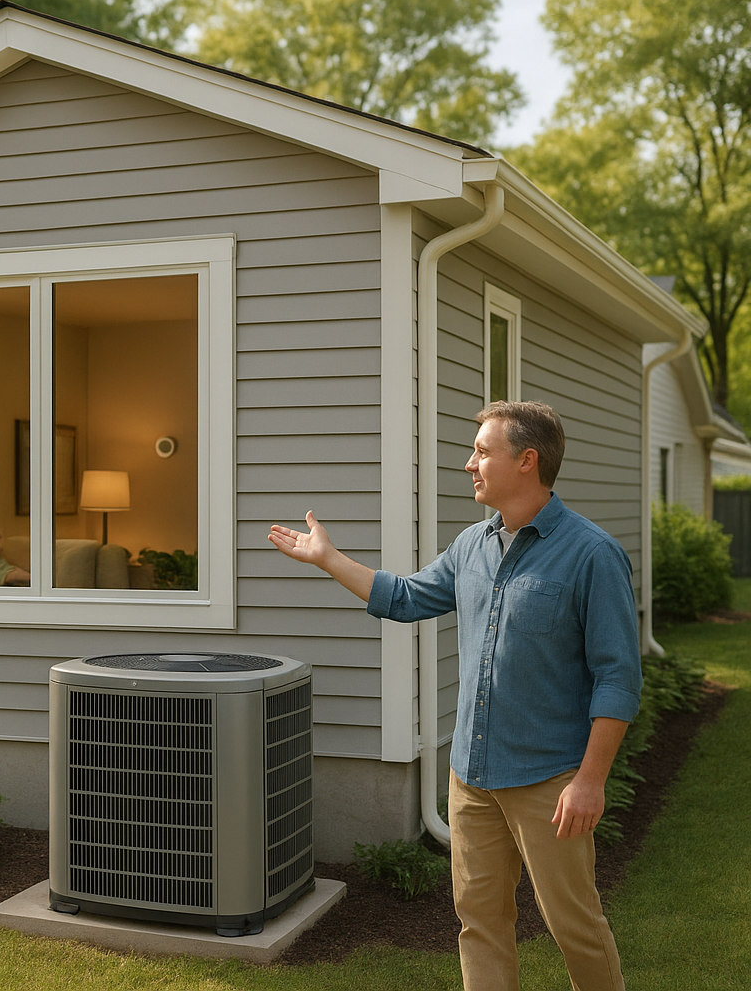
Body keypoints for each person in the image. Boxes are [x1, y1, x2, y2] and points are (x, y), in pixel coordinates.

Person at [268, 400, 639, 991]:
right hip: (471, 776)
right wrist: (328, 559)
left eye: (482, 452)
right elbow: (404, 597)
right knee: (479, 923)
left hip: (548, 780)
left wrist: (589, 780)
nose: (469, 463)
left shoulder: (591, 554)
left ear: (527, 461)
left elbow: (617, 678)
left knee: (573, 925)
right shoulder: (472, 545)